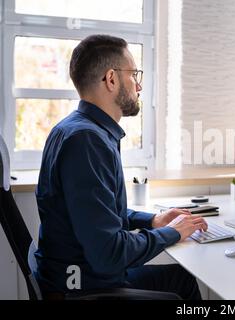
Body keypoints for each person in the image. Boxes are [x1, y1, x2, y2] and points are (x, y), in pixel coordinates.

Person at [35, 35, 206, 299]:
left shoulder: (76, 130)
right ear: (111, 79)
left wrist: (151, 220)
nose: (138, 86)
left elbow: (96, 215)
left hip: (77, 276)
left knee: (180, 278)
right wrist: (171, 233)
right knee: (178, 294)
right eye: (134, 74)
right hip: (80, 287)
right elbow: (109, 253)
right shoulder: (87, 141)